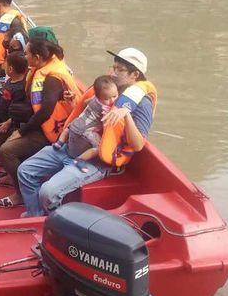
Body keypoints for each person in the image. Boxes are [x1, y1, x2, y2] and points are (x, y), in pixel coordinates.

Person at [17, 48, 157, 217]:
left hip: (94, 160)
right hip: (69, 147)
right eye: (113, 67)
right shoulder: (109, 88)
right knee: (25, 171)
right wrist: (73, 104)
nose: (112, 73)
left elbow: (138, 144)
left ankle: (55, 224)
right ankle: (35, 215)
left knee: (48, 192)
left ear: (135, 74)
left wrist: (125, 114)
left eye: (119, 70)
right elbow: (88, 116)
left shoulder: (141, 103)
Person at [0, 36, 80, 209]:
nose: (24, 57)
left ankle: (20, 194)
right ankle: (11, 175)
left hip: (52, 133)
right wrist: (10, 121)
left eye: (27, 54)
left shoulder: (52, 78)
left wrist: (21, 131)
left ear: (37, 58)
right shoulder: (39, 70)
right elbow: (32, 105)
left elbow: (45, 111)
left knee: (7, 150)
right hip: (37, 123)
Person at [53, 75, 119, 162]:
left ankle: (60, 142)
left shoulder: (94, 98)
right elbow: (106, 123)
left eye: (114, 96)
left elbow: (85, 103)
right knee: (98, 147)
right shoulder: (105, 109)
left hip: (76, 123)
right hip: (86, 131)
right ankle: (80, 159)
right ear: (99, 97)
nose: (112, 100)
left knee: (67, 128)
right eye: (107, 99)